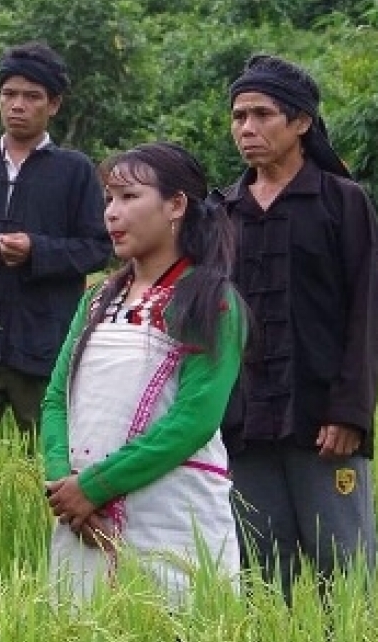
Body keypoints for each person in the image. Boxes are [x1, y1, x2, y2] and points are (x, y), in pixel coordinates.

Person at [216, 54, 378, 600]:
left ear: (301, 123)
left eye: (263, 114)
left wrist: (350, 411)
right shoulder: (221, 210)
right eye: (239, 115)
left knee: (343, 571)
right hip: (243, 424)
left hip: (322, 423)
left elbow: (370, 309)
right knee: (263, 577)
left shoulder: (343, 201)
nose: (247, 128)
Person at [42, 142, 247, 606]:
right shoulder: (96, 301)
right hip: (82, 519)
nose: (112, 213)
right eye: (109, 199)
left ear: (176, 205)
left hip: (172, 513)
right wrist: (65, 487)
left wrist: (93, 487)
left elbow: (194, 420)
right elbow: (57, 398)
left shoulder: (212, 301)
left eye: (129, 198)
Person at [0, 43, 110, 436]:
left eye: (32, 96)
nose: (18, 105)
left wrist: (37, 250)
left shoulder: (74, 170)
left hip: (45, 347)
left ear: (54, 105)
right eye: (9, 94)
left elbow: (98, 249)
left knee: (48, 463)